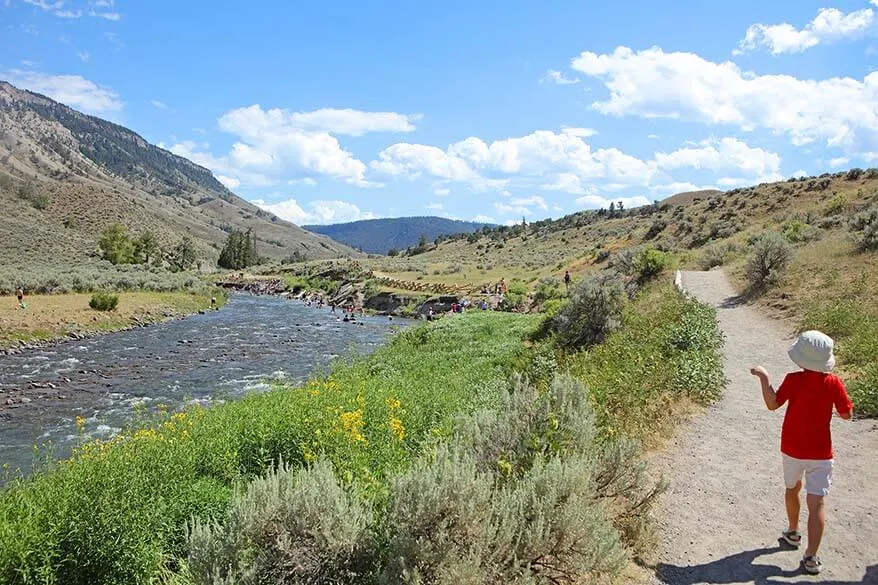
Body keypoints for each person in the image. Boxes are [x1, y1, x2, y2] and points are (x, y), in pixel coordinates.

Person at [749, 330, 853, 575]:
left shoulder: (793, 380)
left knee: (792, 489)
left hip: (792, 449)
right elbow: (846, 415)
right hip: (821, 453)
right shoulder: (834, 383)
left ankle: (793, 532)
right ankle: (811, 557)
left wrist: (764, 378)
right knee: (817, 503)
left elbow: (773, 404)